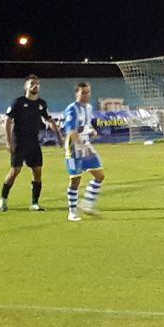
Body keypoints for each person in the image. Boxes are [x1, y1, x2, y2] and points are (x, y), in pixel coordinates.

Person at [0, 75, 62, 212]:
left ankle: (34, 203)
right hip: (19, 142)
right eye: (32, 83)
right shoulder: (18, 102)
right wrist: (9, 141)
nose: (35, 86)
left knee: (37, 171)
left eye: (37, 83)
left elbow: (49, 120)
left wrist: (59, 136)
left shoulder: (41, 104)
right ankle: (3, 199)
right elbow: (8, 121)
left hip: (33, 142)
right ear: (25, 86)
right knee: (15, 171)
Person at [62, 82, 106, 222]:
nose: (86, 95)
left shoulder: (88, 108)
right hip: (73, 149)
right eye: (83, 92)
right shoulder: (72, 109)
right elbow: (71, 131)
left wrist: (91, 131)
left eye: (88, 92)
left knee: (100, 175)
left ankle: (87, 204)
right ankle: (72, 212)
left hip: (86, 146)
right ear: (77, 93)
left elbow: (85, 126)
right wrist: (81, 146)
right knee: (75, 180)